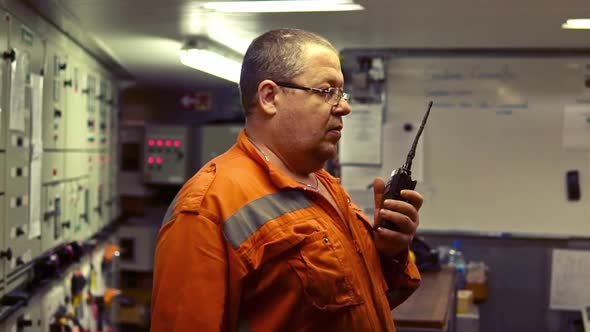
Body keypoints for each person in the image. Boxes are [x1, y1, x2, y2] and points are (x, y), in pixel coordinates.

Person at [151, 28, 423, 332]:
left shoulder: (325, 187)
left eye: (341, 93)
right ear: (269, 97)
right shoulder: (207, 209)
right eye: (326, 91)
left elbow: (359, 304)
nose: (344, 107)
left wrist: (389, 252)